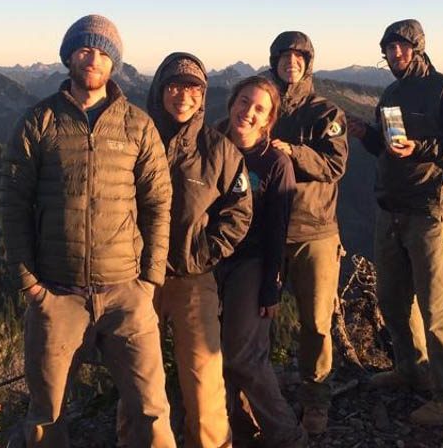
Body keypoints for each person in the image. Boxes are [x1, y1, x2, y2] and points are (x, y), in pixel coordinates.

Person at [0, 14, 176, 448]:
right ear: (69, 56)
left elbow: (158, 204)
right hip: (57, 293)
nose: (92, 58)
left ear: (114, 63)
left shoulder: (138, 125)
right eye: (84, 49)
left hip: (126, 292)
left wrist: (149, 281)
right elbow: (13, 204)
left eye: (102, 52)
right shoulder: (38, 122)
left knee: (152, 409)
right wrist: (31, 286)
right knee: (46, 413)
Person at [349, 19, 443, 426]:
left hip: (429, 212)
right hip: (390, 209)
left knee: (437, 307)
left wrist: (424, 147)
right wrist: (366, 136)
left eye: (401, 48)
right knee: (392, 299)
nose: (394, 56)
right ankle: (411, 370)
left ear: (418, 48)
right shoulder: (391, 93)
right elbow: (392, 149)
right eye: (389, 50)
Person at [143, 52, 252, 448]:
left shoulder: (218, 150)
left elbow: (239, 213)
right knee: (140, 381)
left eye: (193, 88)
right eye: (174, 86)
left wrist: (203, 255)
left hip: (192, 278)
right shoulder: (137, 136)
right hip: (137, 280)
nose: (183, 96)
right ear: (160, 90)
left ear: (203, 95)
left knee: (204, 378)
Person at [265, 31, 349, 434]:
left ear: (308, 64)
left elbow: (335, 165)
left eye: (299, 58)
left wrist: (292, 152)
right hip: (265, 230)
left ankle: (316, 401)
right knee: (255, 318)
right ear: (274, 61)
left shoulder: (325, 112)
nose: (291, 63)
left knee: (316, 324)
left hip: (314, 231)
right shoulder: (263, 104)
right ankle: (255, 393)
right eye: (285, 57)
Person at [216, 75, 307, 447]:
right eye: (243, 102)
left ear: (269, 120)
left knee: (244, 355)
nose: (248, 113)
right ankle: (239, 431)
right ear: (231, 102)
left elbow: (276, 228)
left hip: (251, 261)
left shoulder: (274, 162)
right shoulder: (210, 143)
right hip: (209, 259)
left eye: (259, 109)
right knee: (217, 356)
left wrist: (271, 284)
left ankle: (287, 436)